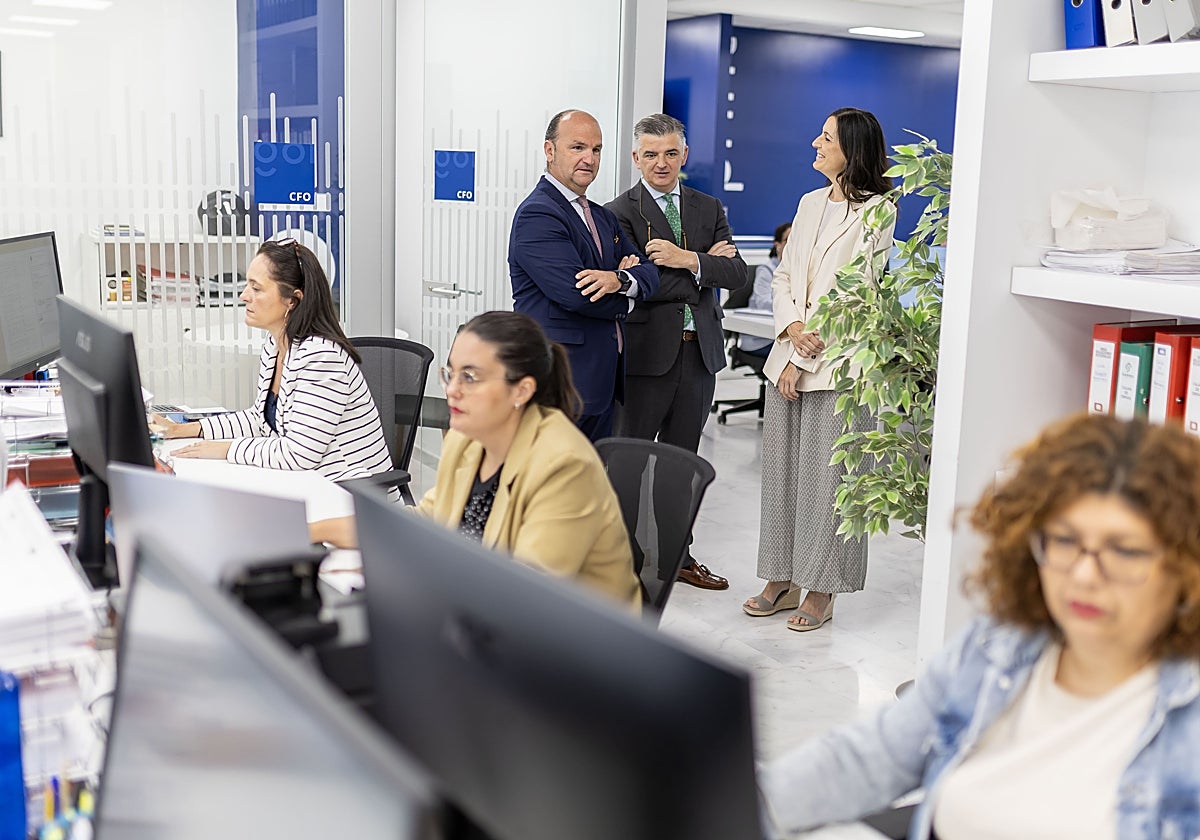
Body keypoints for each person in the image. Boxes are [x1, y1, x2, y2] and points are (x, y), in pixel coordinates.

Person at [759, 413, 1200, 839]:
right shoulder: (999, 646)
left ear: (1184, 567)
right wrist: (737, 804)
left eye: (1123, 551)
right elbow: (867, 759)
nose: (1084, 576)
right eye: (1065, 541)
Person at [311, 311, 641, 611]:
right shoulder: (466, 440)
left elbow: (530, 596)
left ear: (521, 391)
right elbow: (425, 521)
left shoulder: (564, 465)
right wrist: (313, 530)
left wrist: (397, 569)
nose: (452, 390)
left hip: (574, 654)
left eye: (470, 377)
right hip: (481, 625)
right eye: (451, 374)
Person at [742, 107, 895, 630]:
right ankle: (780, 578)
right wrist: (789, 336)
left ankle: (822, 588)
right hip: (789, 351)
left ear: (850, 148)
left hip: (837, 364)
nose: (815, 142)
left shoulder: (878, 212)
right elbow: (785, 277)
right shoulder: (809, 203)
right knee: (784, 478)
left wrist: (805, 352)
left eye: (825, 137)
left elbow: (855, 291)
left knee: (829, 482)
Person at [605, 112, 747, 591]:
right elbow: (639, 285)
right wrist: (704, 271)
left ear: (683, 155)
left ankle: (677, 559)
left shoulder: (708, 207)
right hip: (646, 359)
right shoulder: (618, 212)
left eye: (670, 153)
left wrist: (685, 260)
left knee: (680, 467)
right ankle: (623, 561)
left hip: (698, 357)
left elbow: (738, 275)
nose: (661, 163)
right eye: (651, 154)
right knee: (629, 466)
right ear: (635, 158)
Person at [153, 239, 392, 485]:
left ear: (293, 300)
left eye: (256, 289)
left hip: (349, 495)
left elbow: (300, 455)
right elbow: (259, 419)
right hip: (304, 484)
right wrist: (182, 430)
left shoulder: (322, 357)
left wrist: (226, 449)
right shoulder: (277, 345)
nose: (244, 295)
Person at [508, 109, 659, 442]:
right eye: (577, 147)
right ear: (550, 151)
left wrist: (619, 280)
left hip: (602, 381)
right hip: (562, 382)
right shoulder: (538, 214)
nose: (589, 158)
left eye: (596, 149)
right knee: (553, 486)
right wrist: (630, 297)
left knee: (587, 485)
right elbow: (578, 294)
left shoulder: (602, 217)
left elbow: (650, 272)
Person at [740, 222, 792, 358]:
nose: (793, 244)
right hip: (761, 339)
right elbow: (763, 302)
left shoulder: (801, 271)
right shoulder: (766, 270)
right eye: (789, 239)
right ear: (778, 245)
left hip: (786, 337)